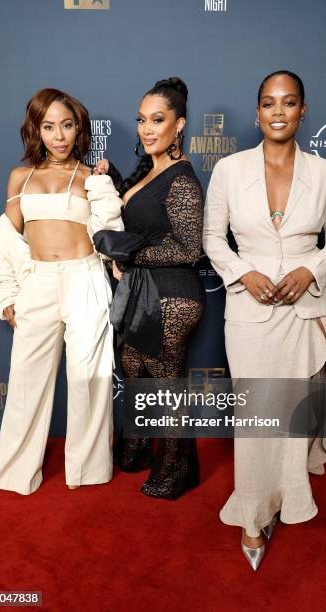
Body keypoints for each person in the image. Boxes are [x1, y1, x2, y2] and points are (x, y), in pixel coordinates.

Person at [203, 70, 326, 570]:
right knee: (257, 416)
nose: (278, 111)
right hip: (250, 311)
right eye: (269, 103)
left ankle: (288, 499)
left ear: (302, 111)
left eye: (289, 103)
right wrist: (243, 273)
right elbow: (212, 239)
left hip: (308, 309)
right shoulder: (228, 169)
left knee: (294, 418)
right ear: (257, 112)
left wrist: (311, 267)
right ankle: (252, 512)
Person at [0, 88, 123, 495]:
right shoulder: (19, 177)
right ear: (36, 129)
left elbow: (110, 236)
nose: (59, 135)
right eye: (49, 126)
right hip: (38, 283)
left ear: (79, 128)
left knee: (89, 378)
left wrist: (102, 188)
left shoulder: (91, 177)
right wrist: (7, 294)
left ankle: (89, 470)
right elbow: (6, 242)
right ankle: (14, 471)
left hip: (84, 279)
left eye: (67, 125)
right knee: (27, 381)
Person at [95, 77, 205, 499]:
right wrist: (114, 176)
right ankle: (138, 449)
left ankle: (177, 471)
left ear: (179, 125)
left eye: (157, 120)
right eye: (141, 120)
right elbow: (140, 214)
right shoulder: (152, 170)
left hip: (173, 296)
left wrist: (129, 255)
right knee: (135, 371)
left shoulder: (182, 178)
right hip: (145, 294)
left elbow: (188, 246)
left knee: (166, 384)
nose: (146, 129)